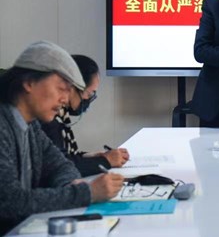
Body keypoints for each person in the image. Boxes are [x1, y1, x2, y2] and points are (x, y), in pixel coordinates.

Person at [0, 41, 124, 234]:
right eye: (61, 89)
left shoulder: (31, 126)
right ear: (29, 82)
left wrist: (70, 185)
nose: (65, 99)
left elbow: (61, 165)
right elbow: (9, 202)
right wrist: (86, 193)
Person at [40, 55, 129, 176]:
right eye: (89, 94)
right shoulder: (48, 119)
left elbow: (65, 157)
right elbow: (60, 167)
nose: (63, 99)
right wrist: (105, 160)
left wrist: (93, 157)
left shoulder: (61, 116)